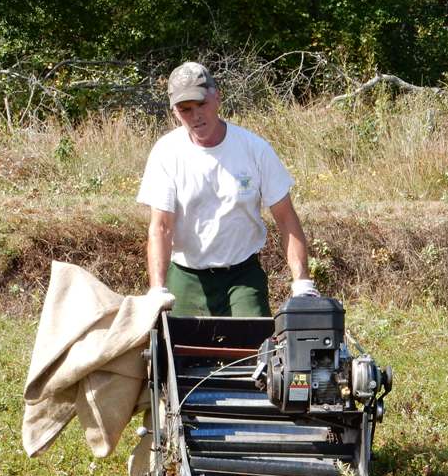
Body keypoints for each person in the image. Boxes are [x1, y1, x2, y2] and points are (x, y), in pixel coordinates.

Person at [136, 61, 319, 317]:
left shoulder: (254, 149)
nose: (195, 115)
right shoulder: (166, 152)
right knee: (177, 354)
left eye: (201, 104)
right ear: (175, 112)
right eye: (185, 109)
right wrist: (157, 289)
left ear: (217, 97)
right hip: (187, 276)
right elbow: (161, 226)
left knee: (253, 350)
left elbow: (286, 217)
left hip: (242, 276)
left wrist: (302, 283)